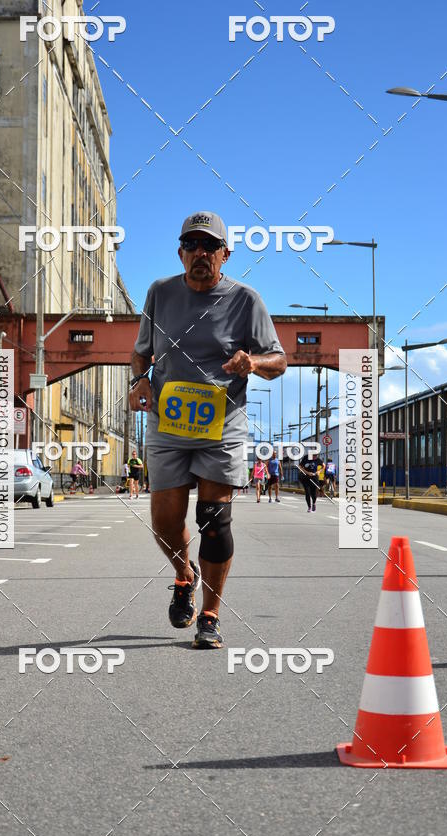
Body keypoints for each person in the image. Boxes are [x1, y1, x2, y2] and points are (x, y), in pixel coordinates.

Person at [129, 211, 286, 648]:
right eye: (192, 246)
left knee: (214, 521)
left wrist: (252, 361)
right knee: (165, 521)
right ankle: (185, 576)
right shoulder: (160, 293)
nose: (200, 254)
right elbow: (141, 353)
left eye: (209, 246)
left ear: (225, 254)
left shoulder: (245, 300)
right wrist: (139, 381)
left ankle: (211, 616)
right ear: (180, 253)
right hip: (167, 422)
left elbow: (279, 360)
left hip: (222, 424)